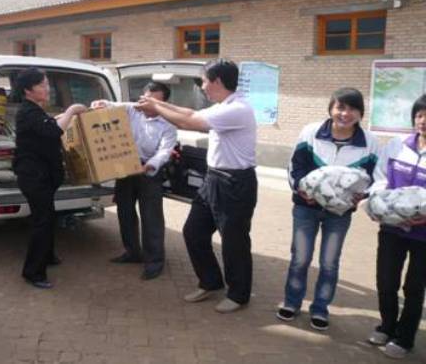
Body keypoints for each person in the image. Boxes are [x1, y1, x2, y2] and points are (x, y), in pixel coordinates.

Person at [136, 59, 257, 313]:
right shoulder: (223, 106)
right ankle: (210, 281)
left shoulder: (238, 109)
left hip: (235, 183)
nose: (202, 87)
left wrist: (155, 107)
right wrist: (156, 103)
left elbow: (188, 121)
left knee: (233, 241)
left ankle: (238, 294)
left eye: (203, 81)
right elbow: (189, 113)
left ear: (217, 81)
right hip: (213, 179)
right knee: (193, 232)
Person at [277, 88, 379, 330]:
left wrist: (361, 196)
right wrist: (302, 190)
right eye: (340, 107)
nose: (345, 114)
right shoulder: (311, 132)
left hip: (339, 214)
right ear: (331, 109)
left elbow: (374, 178)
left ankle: (320, 308)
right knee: (300, 258)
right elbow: (295, 166)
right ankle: (292, 302)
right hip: (306, 208)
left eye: (352, 109)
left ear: (361, 113)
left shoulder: (369, 142)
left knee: (329, 262)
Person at [91, 82, 177, 280]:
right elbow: (111, 105)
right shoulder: (132, 110)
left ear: (162, 104)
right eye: (144, 99)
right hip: (126, 169)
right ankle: (132, 252)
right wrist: (100, 103)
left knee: (151, 218)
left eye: (152, 101)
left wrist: (151, 165)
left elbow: (165, 151)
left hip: (150, 172)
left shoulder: (169, 124)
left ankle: (154, 262)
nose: (145, 104)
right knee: (125, 212)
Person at [12, 67, 87, 289]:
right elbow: (54, 131)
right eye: (42, 85)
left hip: (44, 175)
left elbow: (48, 125)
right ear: (28, 90)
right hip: (34, 176)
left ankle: (48, 255)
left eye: (47, 84)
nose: (47, 89)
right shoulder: (27, 112)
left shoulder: (35, 111)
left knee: (48, 217)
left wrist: (63, 116)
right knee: (42, 222)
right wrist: (71, 111)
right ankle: (33, 272)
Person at [366, 94, 426, 359]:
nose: (423, 121)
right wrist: (380, 206)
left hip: (424, 234)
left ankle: (405, 338)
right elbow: (380, 178)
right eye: (420, 114)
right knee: (386, 280)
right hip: (392, 227)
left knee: (414, 287)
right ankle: (387, 326)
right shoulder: (397, 145)